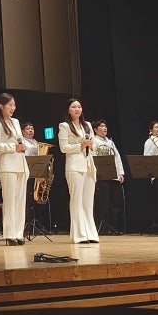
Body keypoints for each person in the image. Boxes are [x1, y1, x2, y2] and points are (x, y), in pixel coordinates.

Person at [58, 98, 99, 244]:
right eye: (74, 107)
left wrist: (90, 145)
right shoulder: (64, 126)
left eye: (79, 107)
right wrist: (80, 145)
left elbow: (94, 145)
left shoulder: (87, 125)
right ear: (68, 110)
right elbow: (64, 147)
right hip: (74, 166)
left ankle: (91, 234)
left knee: (88, 201)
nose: (77, 109)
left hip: (89, 165)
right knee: (76, 200)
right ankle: (79, 235)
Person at [0, 93, 28, 245]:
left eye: (14, 105)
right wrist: (13, 147)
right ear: (1, 106)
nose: (13, 108)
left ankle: (19, 233)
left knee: (20, 201)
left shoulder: (16, 122)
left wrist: (22, 146)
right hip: (8, 165)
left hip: (21, 164)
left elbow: (19, 139)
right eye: (10, 105)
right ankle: (10, 234)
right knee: (10, 200)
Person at [92, 120, 125, 234]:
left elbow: (117, 157)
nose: (104, 128)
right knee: (103, 203)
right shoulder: (93, 140)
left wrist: (120, 173)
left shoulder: (110, 142)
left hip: (114, 175)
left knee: (115, 203)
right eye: (101, 126)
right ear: (95, 129)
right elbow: (92, 156)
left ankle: (113, 227)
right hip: (102, 175)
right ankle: (103, 228)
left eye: (105, 126)